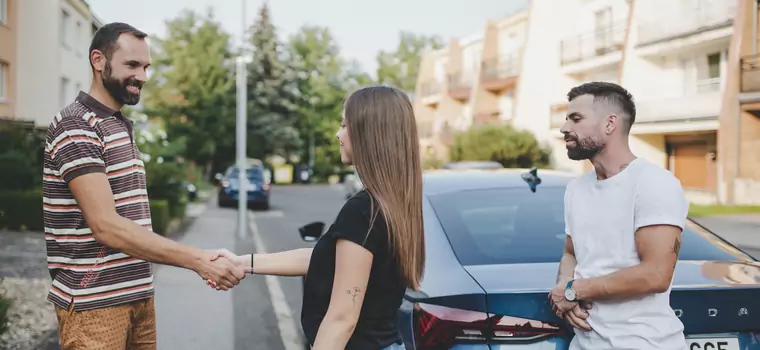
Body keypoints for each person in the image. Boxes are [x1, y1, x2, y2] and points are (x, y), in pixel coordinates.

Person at [42, 22, 245, 350]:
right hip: (95, 304)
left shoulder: (118, 125)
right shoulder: (76, 124)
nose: (143, 77)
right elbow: (106, 227)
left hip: (138, 295)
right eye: (132, 65)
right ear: (98, 60)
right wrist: (197, 259)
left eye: (146, 66)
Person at [215, 86, 424, 350]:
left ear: (369, 134)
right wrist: (243, 262)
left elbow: (341, 319)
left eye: (345, 125)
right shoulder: (394, 204)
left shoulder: (364, 210)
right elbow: (326, 258)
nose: (338, 134)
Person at [548, 81, 689, 349]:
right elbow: (571, 253)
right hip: (584, 343)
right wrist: (564, 287)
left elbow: (656, 274)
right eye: (566, 119)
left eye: (576, 118)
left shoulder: (654, 183)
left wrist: (573, 290)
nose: (565, 128)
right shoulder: (576, 188)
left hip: (643, 343)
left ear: (610, 124)